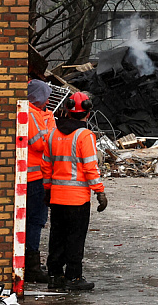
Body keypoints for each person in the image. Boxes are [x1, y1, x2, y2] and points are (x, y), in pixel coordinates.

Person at [42, 92, 108, 291]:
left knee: (57, 236)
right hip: (77, 200)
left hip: (56, 197)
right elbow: (90, 167)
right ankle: (73, 277)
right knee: (75, 238)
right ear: (87, 113)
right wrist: (100, 192)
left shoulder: (52, 133)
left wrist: (47, 190)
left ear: (68, 111)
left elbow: (46, 166)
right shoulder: (85, 136)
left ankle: (54, 275)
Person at [26, 80, 56, 284]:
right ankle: (31, 265)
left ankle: (30, 262)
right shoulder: (31, 114)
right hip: (33, 179)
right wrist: (47, 120)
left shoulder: (36, 113)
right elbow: (42, 143)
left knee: (33, 221)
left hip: (35, 177)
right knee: (35, 221)